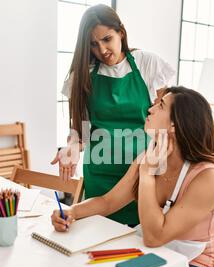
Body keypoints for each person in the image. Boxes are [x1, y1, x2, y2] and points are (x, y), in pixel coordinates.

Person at [51, 87, 214, 267]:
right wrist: (72, 211)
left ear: (174, 125)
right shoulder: (150, 156)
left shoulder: (209, 178)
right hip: (153, 253)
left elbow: (155, 237)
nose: (150, 109)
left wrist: (146, 174)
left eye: (160, 106)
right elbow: (108, 202)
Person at [51, 4, 175, 226]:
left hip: (142, 175)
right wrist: (72, 146)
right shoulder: (83, 75)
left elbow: (164, 121)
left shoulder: (148, 64)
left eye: (107, 39)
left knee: (139, 243)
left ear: (121, 32)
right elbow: (81, 132)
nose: (102, 50)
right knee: (97, 237)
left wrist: (164, 168)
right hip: (101, 175)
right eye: (93, 45)